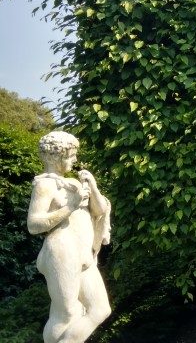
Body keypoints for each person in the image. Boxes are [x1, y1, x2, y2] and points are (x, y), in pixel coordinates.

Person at [27, 131, 112, 343]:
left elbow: (99, 210)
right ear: (56, 157)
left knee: (100, 309)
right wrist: (71, 205)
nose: (75, 159)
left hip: (83, 251)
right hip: (62, 250)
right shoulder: (45, 185)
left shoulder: (73, 182)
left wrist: (92, 186)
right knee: (66, 315)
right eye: (71, 155)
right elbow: (34, 224)